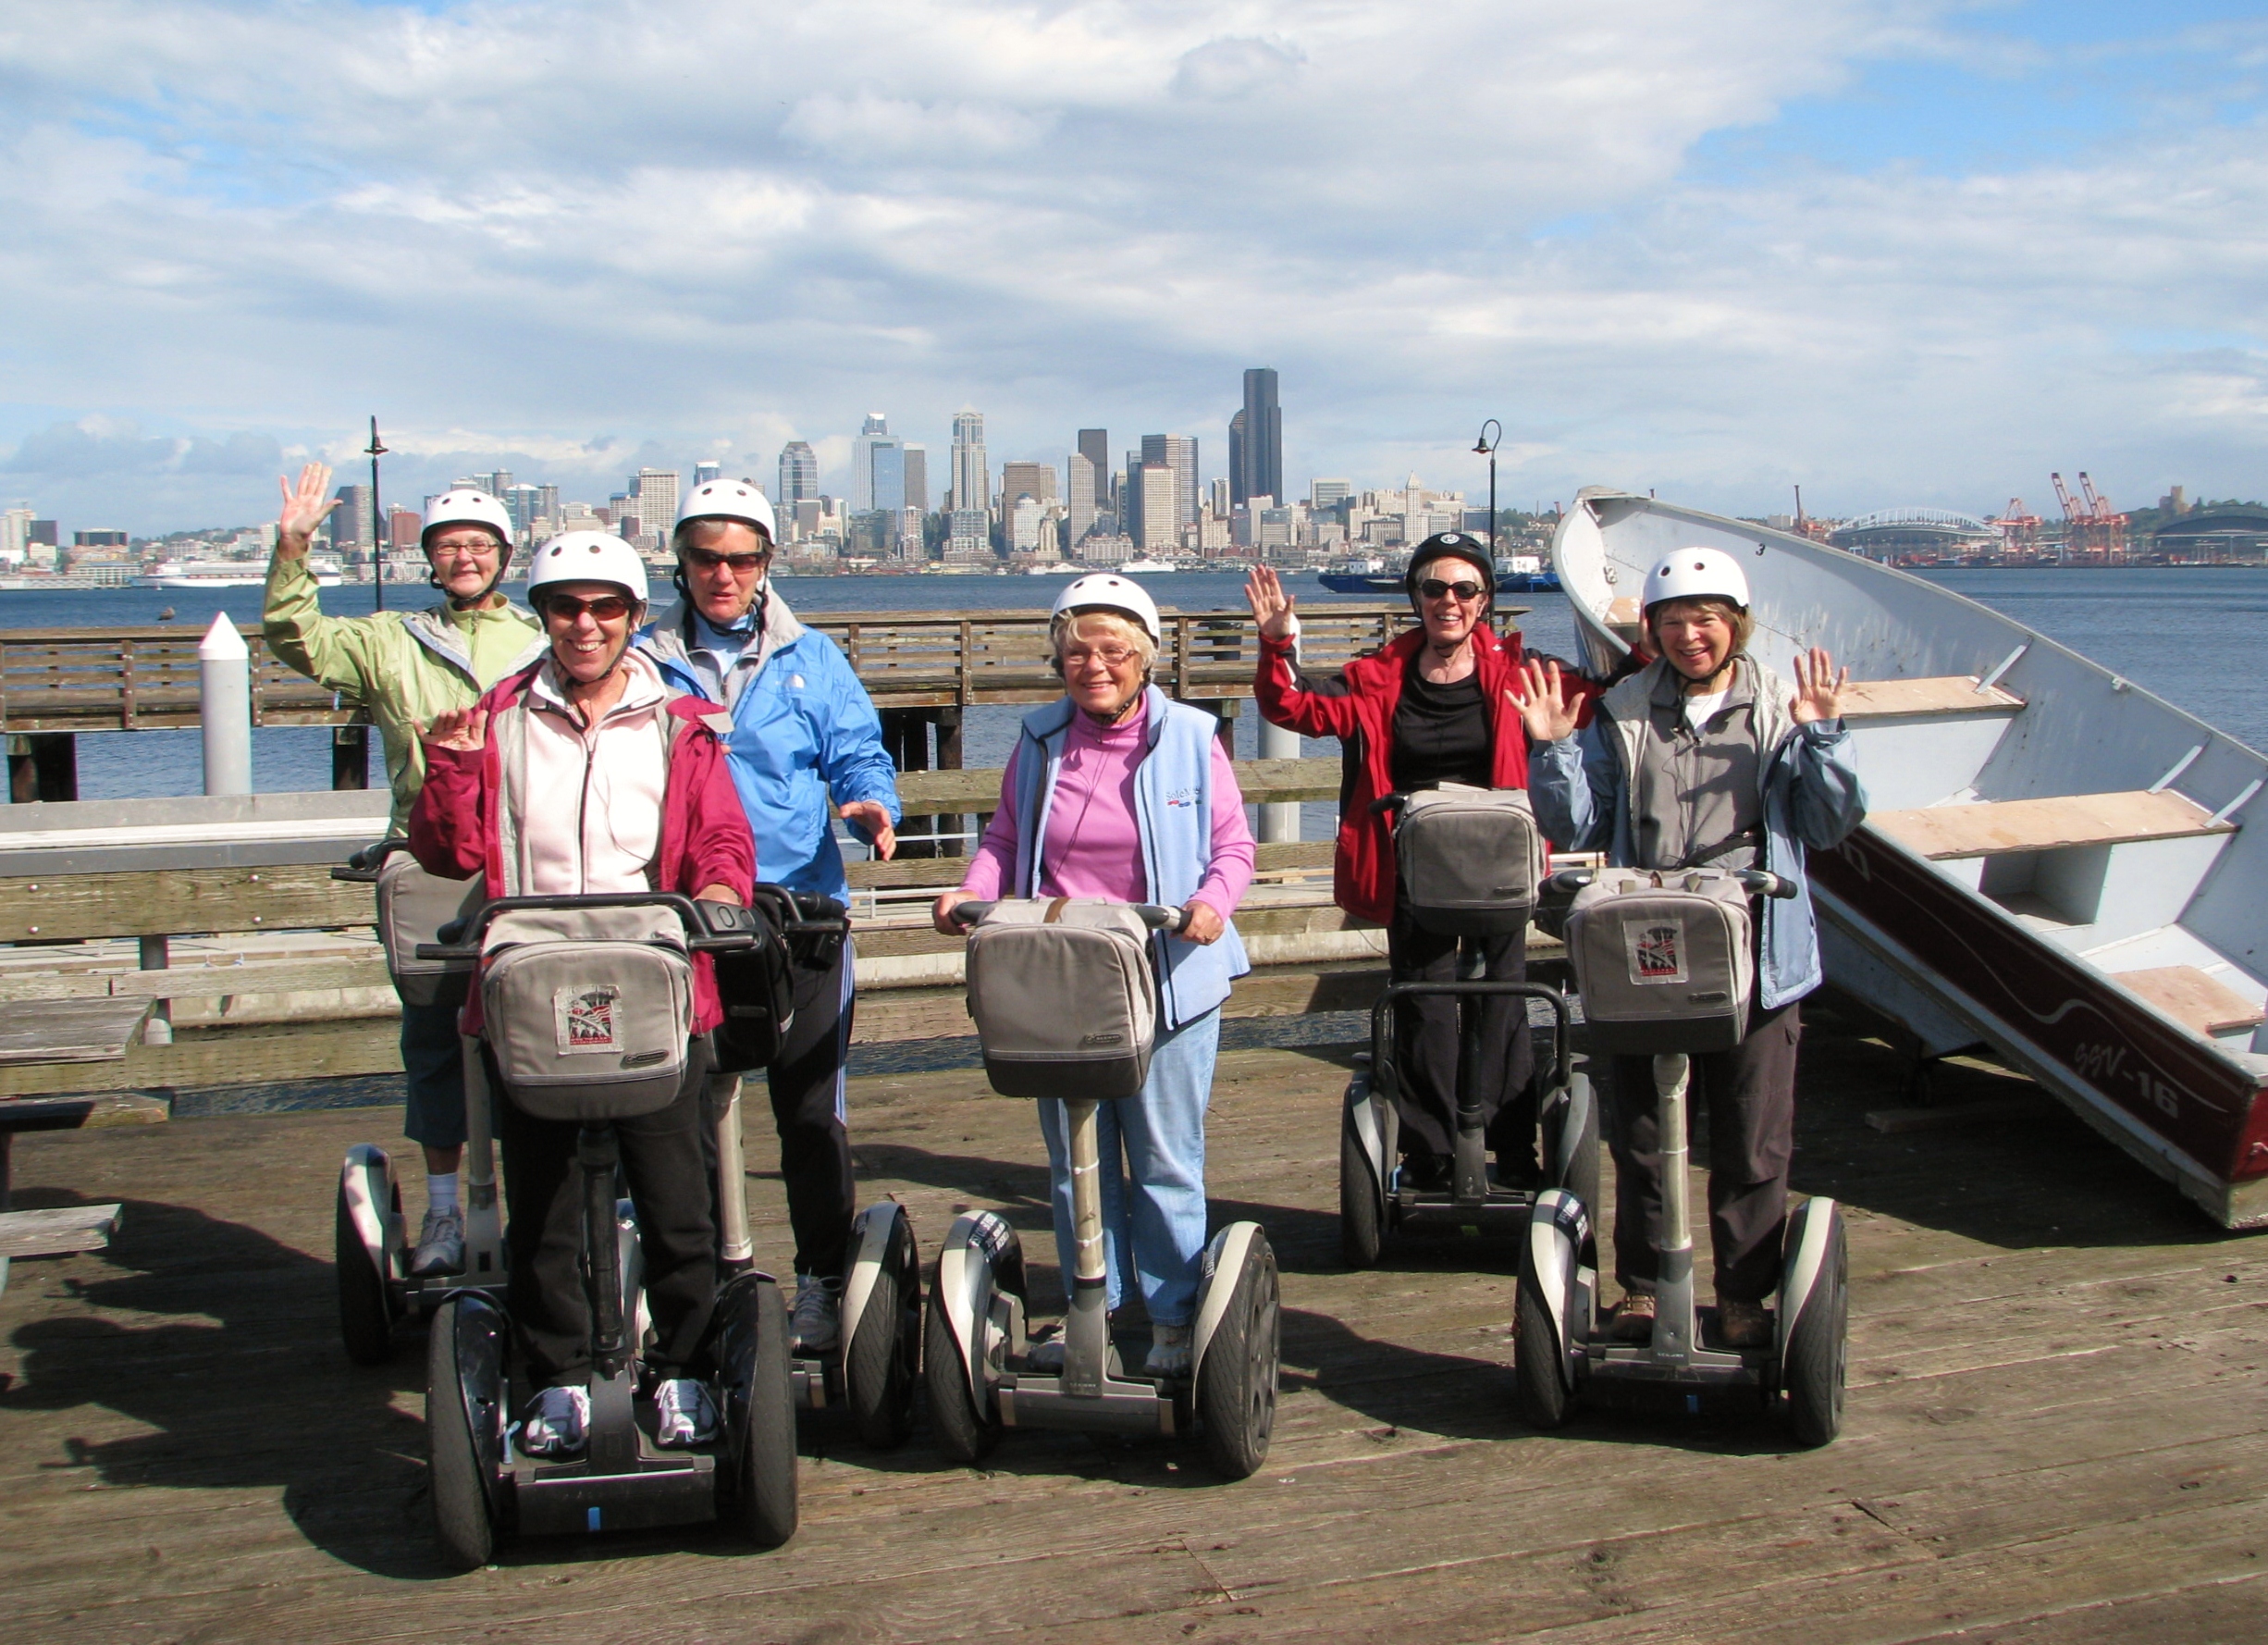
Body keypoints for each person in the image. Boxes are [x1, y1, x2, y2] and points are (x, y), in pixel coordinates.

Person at [409, 531, 755, 1454]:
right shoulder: (498, 717)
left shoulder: (679, 723)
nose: (586, 625)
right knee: (545, 1204)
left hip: (654, 982)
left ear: (635, 618)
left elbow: (720, 835)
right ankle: (557, 1378)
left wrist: (721, 894)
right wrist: (449, 768)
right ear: (544, 616)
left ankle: (684, 1369)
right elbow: (448, 852)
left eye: (606, 608)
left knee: (678, 1199)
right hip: (535, 986)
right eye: (566, 607)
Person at [1515, 546, 1865, 1348]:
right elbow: (1576, 823)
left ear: (1736, 624)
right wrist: (1554, 749)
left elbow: (1828, 825)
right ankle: (1643, 1289)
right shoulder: (1625, 707)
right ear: (1653, 630)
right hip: (1649, 939)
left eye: (1705, 620)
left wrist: (1824, 739)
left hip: (1758, 947)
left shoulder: (1780, 709)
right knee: (1644, 1129)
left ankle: (1743, 1297)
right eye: (1672, 621)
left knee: (1751, 1135)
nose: (1689, 636)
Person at [933, 575, 1254, 1375]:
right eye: (1077, 652)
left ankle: (1174, 1319)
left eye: (1113, 651)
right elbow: (1005, 840)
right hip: (1066, 974)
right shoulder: (1040, 738)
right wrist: (970, 891)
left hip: (1167, 971)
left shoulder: (1191, 737)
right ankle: (1094, 1309)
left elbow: (1233, 847)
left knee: (1163, 1158)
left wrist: (1211, 904)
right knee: (1077, 1159)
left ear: (1145, 658)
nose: (1095, 666)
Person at [636, 479, 901, 1354]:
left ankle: (820, 1279)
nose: (724, 575)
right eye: (707, 558)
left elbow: (856, 749)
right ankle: (707, 1284)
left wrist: (871, 805)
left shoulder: (810, 657)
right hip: (685, 917)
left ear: (766, 564)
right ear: (681, 563)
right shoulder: (644, 659)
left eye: (742, 560)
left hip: (799, 911)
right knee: (682, 1112)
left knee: (811, 1113)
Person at [264, 464, 546, 1279]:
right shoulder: (391, 639)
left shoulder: (543, 638)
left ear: (504, 555)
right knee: (434, 1039)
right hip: (428, 858)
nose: (465, 557)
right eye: (449, 546)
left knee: (540, 1032)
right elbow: (298, 640)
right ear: (429, 558)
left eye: (480, 544)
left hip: (530, 855)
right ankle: (447, 1208)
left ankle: (542, 1204)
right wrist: (294, 549)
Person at [1247, 532, 1540, 1190]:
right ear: (1415, 597)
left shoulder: (1518, 673)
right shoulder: (1375, 678)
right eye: (1434, 587)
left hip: (1498, 864)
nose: (1449, 600)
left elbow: (1599, 689)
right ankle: (1431, 1152)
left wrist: (1639, 641)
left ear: (1484, 600)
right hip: (1415, 866)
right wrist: (1277, 644)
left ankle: (1513, 1145)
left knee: (1504, 999)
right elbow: (1292, 705)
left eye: (1464, 589)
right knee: (1423, 1003)